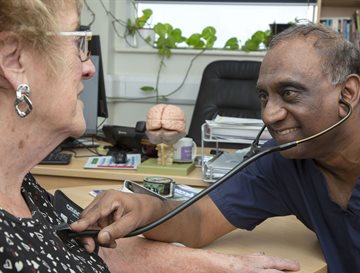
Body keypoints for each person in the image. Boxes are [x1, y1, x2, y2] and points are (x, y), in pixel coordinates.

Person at [0, 0, 300, 272]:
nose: (89, 67)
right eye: (77, 43)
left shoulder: (23, 187)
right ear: (14, 59)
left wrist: (227, 265)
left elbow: (99, 252)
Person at [71, 22, 360, 273]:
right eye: (264, 96)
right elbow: (200, 220)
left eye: (289, 93)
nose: (269, 115)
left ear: (347, 93)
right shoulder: (285, 160)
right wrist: (145, 208)